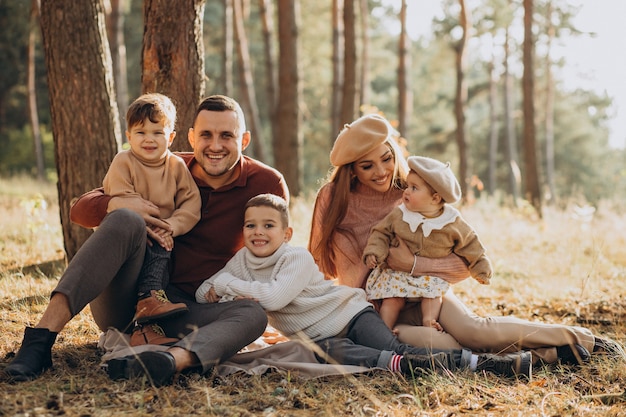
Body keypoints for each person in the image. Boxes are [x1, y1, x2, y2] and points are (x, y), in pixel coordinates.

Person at [4, 95, 289, 386]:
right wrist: (117, 204)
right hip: (129, 302)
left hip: (191, 311)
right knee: (125, 217)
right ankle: (39, 341)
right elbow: (80, 210)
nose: (215, 145)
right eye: (206, 135)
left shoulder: (266, 184)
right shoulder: (168, 164)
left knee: (252, 314)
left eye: (226, 136)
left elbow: (275, 252)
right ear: (191, 138)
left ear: (244, 140)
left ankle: (166, 362)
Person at [308, 113, 620, 366]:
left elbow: (461, 266)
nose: (382, 171)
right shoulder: (333, 199)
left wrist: (412, 263)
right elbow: (325, 271)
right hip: (376, 310)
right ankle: (545, 357)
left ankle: (582, 338)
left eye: (387, 159)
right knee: (443, 346)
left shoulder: (412, 191)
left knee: (473, 331)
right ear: (351, 171)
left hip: (426, 290)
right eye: (367, 166)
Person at [194, 194, 532, 378]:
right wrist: (225, 283)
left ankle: (487, 365)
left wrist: (226, 285)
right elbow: (202, 291)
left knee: (395, 349)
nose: (258, 232)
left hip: (351, 314)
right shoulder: (241, 262)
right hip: (322, 338)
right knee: (371, 359)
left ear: (286, 234)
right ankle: (396, 365)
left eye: (268, 225)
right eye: (251, 225)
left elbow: (273, 297)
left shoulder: (295, 258)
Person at [102, 93, 200, 344]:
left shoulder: (176, 166)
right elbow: (121, 197)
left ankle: (146, 327)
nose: (149, 139)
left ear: (171, 137)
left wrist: (171, 226)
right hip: (130, 238)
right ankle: (147, 302)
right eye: (140, 132)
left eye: (157, 132)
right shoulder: (123, 161)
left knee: (163, 255)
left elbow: (191, 203)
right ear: (128, 137)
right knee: (154, 251)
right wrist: (146, 227)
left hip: (162, 237)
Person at [363, 155, 491, 333]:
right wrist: (374, 252)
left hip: (429, 277)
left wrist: (480, 268)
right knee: (392, 300)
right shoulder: (399, 215)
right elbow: (380, 232)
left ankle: (429, 321)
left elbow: (471, 244)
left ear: (436, 199)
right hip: (398, 275)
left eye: (414, 188)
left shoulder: (451, 222)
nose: (406, 191)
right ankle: (384, 330)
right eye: (408, 186)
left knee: (432, 296)